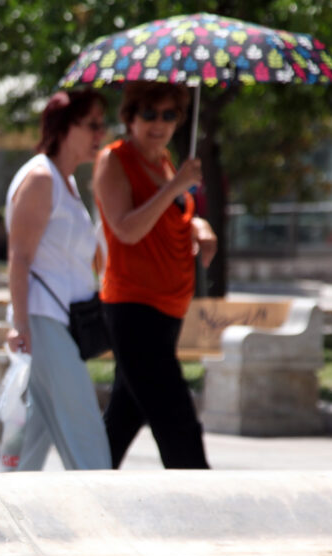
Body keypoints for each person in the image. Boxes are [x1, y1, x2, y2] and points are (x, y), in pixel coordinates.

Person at [92, 81, 218, 470]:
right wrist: (177, 186)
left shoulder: (166, 161)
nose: (159, 123)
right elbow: (126, 228)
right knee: (175, 419)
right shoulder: (114, 160)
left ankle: (85, 485)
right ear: (130, 116)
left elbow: (166, 216)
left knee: (123, 418)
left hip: (170, 306)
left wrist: (198, 225)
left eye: (169, 115)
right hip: (133, 306)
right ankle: (203, 504)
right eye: (149, 114)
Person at [3, 90, 111, 471]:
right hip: (44, 322)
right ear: (65, 127)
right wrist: (20, 324)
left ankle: (6, 505)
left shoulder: (65, 181)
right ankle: (105, 516)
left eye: (102, 124)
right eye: (92, 124)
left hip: (59, 322)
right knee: (85, 435)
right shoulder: (41, 178)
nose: (101, 132)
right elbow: (20, 257)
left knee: (34, 435)